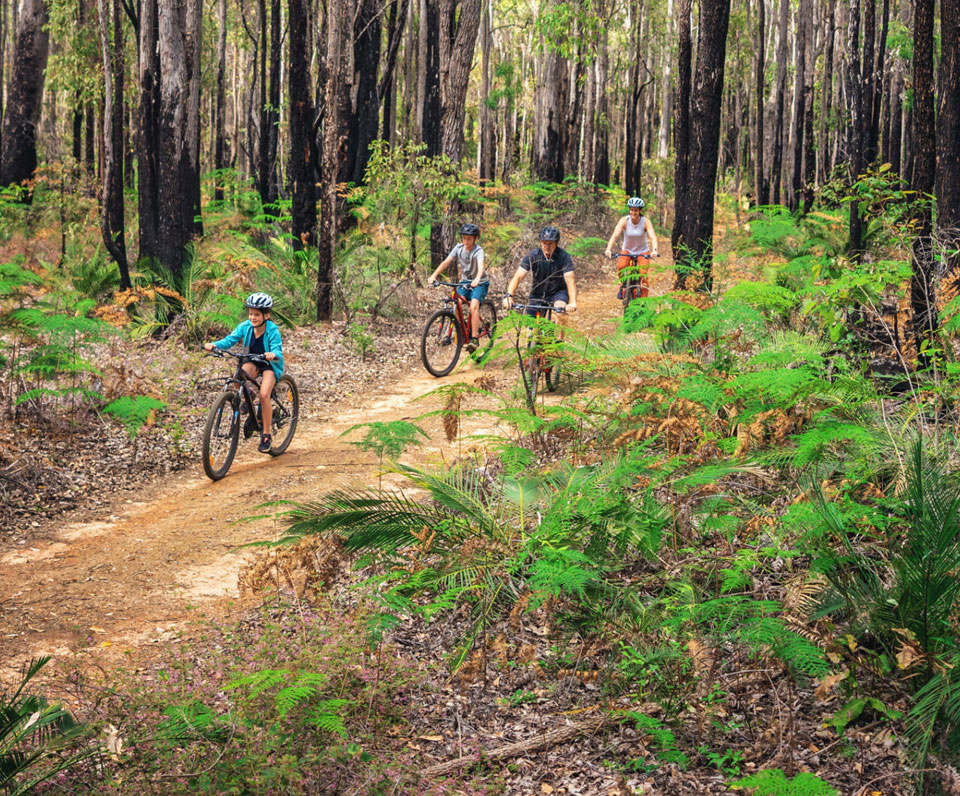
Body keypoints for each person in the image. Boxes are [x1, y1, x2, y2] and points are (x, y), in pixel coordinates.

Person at [204, 292, 285, 453]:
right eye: (250, 313)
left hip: (269, 364)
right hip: (252, 360)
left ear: (266, 315)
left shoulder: (272, 331)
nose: (252, 317)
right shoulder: (245, 327)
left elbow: (277, 350)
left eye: (256, 314)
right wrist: (214, 345)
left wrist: (273, 354)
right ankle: (249, 395)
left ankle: (266, 434)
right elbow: (230, 340)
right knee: (237, 379)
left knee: (264, 395)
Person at [429, 223, 489, 352]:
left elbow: (480, 267)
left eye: (469, 238)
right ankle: (460, 332)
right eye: (464, 238)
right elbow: (446, 262)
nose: (466, 241)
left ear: (475, 238)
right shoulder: (458, 248)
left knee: (473, 306)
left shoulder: (478, 251)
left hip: (480, 282)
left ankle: (474, 339)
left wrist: (477, 279)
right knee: (457, 303)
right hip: (465, 282)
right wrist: (434, 275)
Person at [502, 226, 578, 316]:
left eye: (550, 244)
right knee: (531, 324)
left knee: (560, 311)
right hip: (538, 293)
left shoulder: (564, 257)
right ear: (540, 242)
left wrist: (572, 302)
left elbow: (570, 279)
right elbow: (518, 276)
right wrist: (509, 296)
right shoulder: (533, 255)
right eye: (544, 243)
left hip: (558, 292)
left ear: (557, 243)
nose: (546, 246)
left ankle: (561, 329)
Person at [604, 196, 659, 300]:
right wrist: (608, 249)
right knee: (621, 266)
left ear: (640, 211)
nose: (633, 213)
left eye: (636, 210)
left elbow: (653, 237)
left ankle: (643, 301)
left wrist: (654, 250)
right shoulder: (624, 221)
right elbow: (615, 235)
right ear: (629, 210)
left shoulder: (645, 222)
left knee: (643, 275)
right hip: (627, 250)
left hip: (642, 251)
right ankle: (624, 285)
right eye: (632, 210)